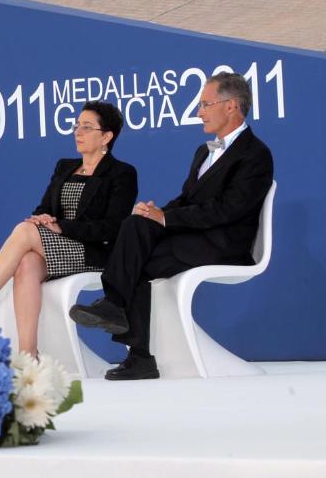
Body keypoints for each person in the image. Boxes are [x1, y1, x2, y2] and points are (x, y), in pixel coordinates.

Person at [69, 72, 273, 380]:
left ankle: (134, 346)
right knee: (136, 225)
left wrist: (166, 219)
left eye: (205, 104)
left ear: (231, 106)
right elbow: (187, 198)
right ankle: (118, 315)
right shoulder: (204, 151)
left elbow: (228, 210)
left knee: (137, 258)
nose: (198, 112)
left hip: (224, 244)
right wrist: (157, 212)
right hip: (195, 237)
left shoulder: (256, 154)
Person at [0, 100, 137, 358]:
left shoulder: (121, 173)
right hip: (58, 247)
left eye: (87, 127)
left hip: (94, 252)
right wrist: (42, 218)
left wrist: (61, 227)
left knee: (25, 231)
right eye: (77, 125)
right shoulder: (65, 166)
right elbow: (44, 207)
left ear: (107, 136)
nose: (78, 132)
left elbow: (114, 228)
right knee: (27, 262)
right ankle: (29, 353)